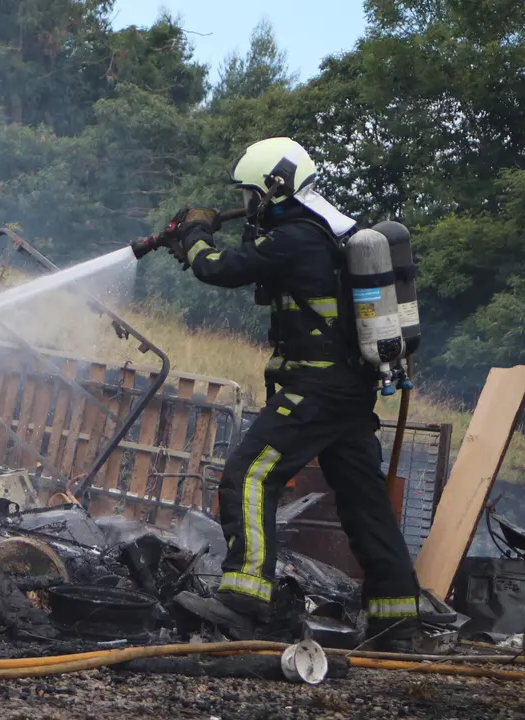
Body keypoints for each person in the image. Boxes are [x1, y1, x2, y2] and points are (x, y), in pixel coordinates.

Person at [162, 137, 421, 652]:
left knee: (251, 475)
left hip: (316, 388)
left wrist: (192, 235)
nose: (250, 205)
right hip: (348, 394)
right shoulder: (326, 230)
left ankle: (244, 597)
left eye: (251, 195)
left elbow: (222, 268)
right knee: (365, 502)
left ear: (274, 188)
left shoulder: (296, 236)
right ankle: (398, 621)